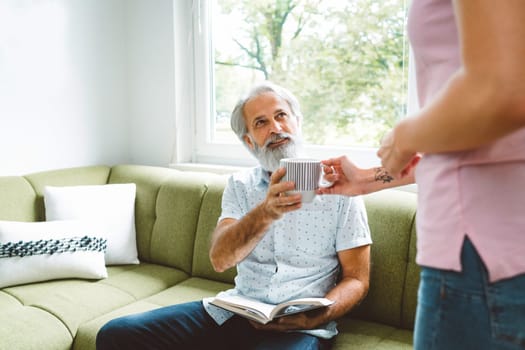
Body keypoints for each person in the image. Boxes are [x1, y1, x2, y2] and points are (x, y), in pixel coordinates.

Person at [96, 81, 372, 350]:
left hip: (300, 326)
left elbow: (357, 279)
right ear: (249, 141)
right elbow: (220, 258)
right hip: (237, 311)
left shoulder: (340, 189)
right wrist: (265, 212)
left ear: (297, 122)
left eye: (281, 116)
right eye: (261, 123)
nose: (276, 128)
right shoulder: (240, 186)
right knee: (117, 334)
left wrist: (317, 317)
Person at [319, 0, 525, 349]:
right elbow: (471, 137)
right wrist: (369, 179)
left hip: (481, 250)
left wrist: (402, 137)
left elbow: (502, 91)